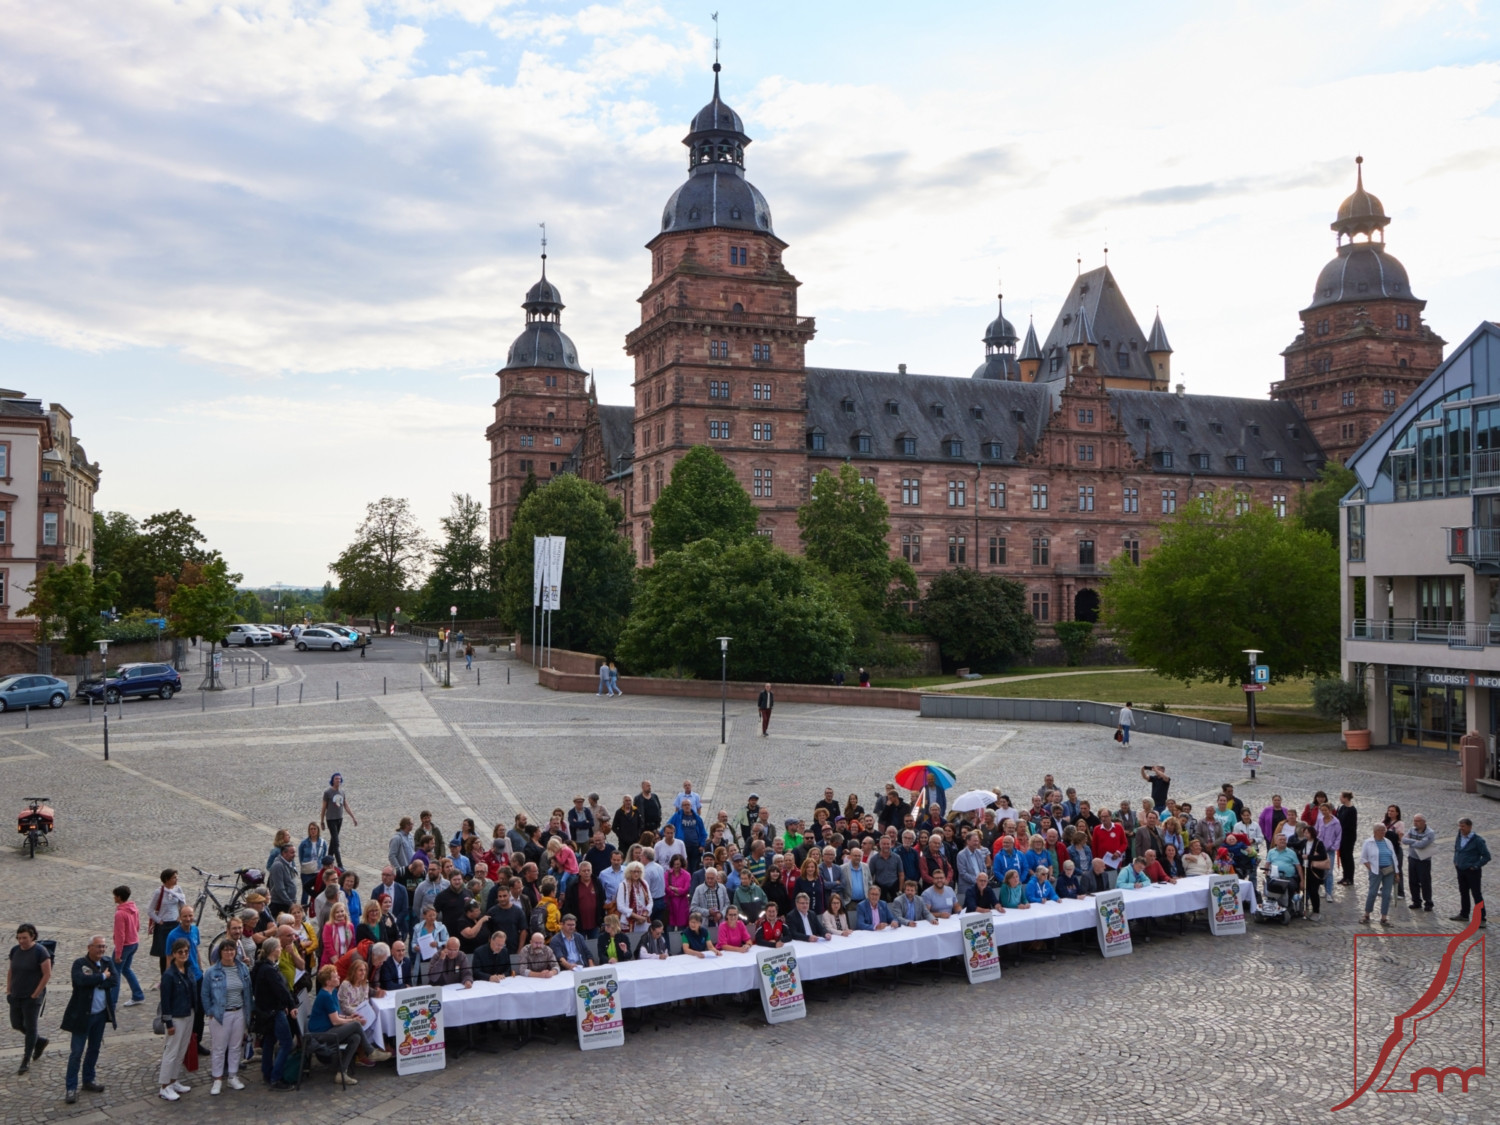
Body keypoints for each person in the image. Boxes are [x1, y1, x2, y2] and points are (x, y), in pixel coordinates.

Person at [201, 936, 251, 1095]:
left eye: (232, 950)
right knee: (219, 1048)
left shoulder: (242, 968)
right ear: (220, 952)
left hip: (239, 1012)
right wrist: (209, 1011)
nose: (229, 953)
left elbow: (248, 991)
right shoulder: (212, 972)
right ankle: (217, 1078)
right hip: (221, 1014)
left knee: (235, 1046)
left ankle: (233, 1076)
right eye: (226, 950)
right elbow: (205, 994)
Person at [306, 966, 366, 1086]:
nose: (339, 977)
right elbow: (335, 1021)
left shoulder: (332, 992)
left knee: (356, 1037)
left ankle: (341, 1073)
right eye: (335, 976)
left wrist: (350, 1017)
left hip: (329, 1029)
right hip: (321, 1034)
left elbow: (337, 1015)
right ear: (328, 982)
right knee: (355, 1025)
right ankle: (370, 1051)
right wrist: (353, 1020)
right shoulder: (325, 996)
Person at [251, 938, 297, 1092]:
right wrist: (289, 1005)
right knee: (286, 1043)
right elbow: (281, 990)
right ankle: (276, 1077)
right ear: (273, 950)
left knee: (269, 1041)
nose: (281, 949)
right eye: (279, 947)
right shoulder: (269, 970)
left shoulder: (262, 967)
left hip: (267, 1011)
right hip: (274, 1011)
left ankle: (267, 1072)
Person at [7, 923, 51, 1076]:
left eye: (24, 938)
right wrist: (9, 990)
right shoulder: (15, 950)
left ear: (32, 937)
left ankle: (26, 1059)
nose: (21, 941)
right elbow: (11, 971)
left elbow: (47, 974)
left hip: (32, 997)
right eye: (19, 938)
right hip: (16, 994)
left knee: (30, 1027)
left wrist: (35, 994)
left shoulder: (40, 952)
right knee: (16, 1024)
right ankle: (39, 1041)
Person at [156, 938, 194, 1101]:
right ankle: (164, 1086)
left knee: (181, 1051)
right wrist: (169, 1023)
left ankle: (173, 1080)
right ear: (174, 954)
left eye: (186, 951)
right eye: (180, 952)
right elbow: (165, 1001)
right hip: (176, 1017)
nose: (183, 954)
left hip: (189, 1013)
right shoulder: (169, 975)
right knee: (171, 1051)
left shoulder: (188, 969)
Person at [108, 886, 144, 1010]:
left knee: (115, 973)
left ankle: (111, 1003)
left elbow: (120, 935)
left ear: (119, 897)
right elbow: (137, 926)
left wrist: (118, 954)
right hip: (134, 943)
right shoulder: (134, 909)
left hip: (125, 946)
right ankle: (138, 995)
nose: (114, 898)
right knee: (126, 969)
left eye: (115, 896)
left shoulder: (120, 914)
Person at [1453, 817, 1492, 926]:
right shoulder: (1459, 836)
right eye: (1460, 826)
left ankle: (1481, 918)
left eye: (1463, 826)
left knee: (1476, 894)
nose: (1461, 828)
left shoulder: (1478, 840)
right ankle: (1464, 914)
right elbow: (1457, 849)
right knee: (1463, 892)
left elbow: (1487, 856)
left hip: (1472, 872)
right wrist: (1455, 861)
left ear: (1470, 827)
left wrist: (1475, 866)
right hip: (1461, 870)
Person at [147, 868, 187, 973]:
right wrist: (159, 920)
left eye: (176, 877)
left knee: (178, 950)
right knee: (164, 954)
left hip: (175, 924)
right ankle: (165, 976)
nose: (176, 879)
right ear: (167, 879)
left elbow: (183, 905)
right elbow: (150, 910)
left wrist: (180, 917)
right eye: (174, 877)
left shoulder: (178, 890)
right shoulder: (159, 892)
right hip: (163, 926)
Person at [1360, 823, 1396, 926]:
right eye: (1381, 830)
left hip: (1389, 870)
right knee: (1372, 892)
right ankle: (1367, 914)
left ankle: (1384, 917)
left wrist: (1396, 872)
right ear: (1375, 832)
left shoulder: (1388, 842)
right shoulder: (1368, 842)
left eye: (1384, 830)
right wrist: (1371, 869)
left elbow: (1393, 857)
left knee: (1387, 894)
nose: (1383, 832)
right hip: (1376, 870)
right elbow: (1364, 858)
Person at [320, 774, 357, 869]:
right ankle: (340, 865)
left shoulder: (342, 792)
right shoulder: (327, 792)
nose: (338, 780)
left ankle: (328, 860)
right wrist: (322, 821)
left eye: (340, 779)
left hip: (339, 819)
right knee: (336, 843)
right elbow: (324, 807)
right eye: (336, 779)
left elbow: (345, 805)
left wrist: (353, 817)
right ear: (333, 780)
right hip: (331, 819)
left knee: (333, 841)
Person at [1296, 823, 1328, 918]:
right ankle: (1304, 907)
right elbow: (1296, 846)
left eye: (1307, 833)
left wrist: (1309, 857)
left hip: (1314, 871)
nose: (1305, 835)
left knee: (1314, 891)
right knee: (1306, 890)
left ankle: (1316, 910)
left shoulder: (1318, 843)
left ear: (1312, 833)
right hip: (1305, 869)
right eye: (1304, 833)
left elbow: (1323, 856)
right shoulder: (1304, 842)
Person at [1405, 814, 1436, 912]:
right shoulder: (1412, 830)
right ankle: (1416, 901)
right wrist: (1416, 841)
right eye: (1414, 821)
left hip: (1424, 860)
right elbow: (1404, 840)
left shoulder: (1430, 832)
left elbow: (1422, 845)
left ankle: (1428, 902)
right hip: (1412, 858)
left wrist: (1411, 841)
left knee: (1425, 882)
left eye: (1418, 821)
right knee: (1413, 881)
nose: (1415, 823)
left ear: (1424, 822)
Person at [298, 824, 328, 905]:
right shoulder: (304, 843)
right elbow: (301, 856)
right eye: (311, 829)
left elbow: (324, 855)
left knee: (318, 890)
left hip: (318, 871)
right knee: (305, 891)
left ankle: (316, 906)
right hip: (306, 871)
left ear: (318, 830)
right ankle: (304, 907)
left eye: (314, 829)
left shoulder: (323, 842)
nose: (313, 831)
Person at [1335, 792, 1359, 886]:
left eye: (1341, 797)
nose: (1340, 799)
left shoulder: (1352, 810)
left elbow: (1350, 825)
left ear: (1346, 798)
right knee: (1342, 856)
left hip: (1348, 837)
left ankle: (1350, 878)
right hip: (1341, 836)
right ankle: (1345, 876)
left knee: (1348, 856)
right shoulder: (1342, 807)